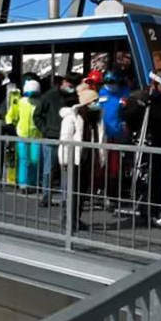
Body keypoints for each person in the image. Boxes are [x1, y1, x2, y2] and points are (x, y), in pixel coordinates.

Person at [58, 88, 104, 232]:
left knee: (82, 191)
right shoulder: (72, 117)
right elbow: (65, 139)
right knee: (73, 190)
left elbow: (100, 140)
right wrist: (65, 161)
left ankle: (76, 218)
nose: (96, 103)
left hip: (88, 159)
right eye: (93, 101)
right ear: (86, 103)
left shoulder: (95, 119)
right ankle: (68, 220)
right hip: (74, 159)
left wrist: (101, 158)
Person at [33, 72, 81, 206]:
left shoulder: (74, 97)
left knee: (67, 169)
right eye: (70, 85)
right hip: (52, 138)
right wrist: (45, 129)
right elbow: (37, 115)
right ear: (64, 82)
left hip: (68, 139)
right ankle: (46, 196)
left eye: (74, 86)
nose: (72, 88)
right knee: (49, 169)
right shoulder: (49, 96)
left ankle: (66, 198)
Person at [123, 70, 161, 227]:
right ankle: (149, 211)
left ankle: (154, 209)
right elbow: (130, 118)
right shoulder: (143, 99)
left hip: (159, 144)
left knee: (157, 179)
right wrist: (143, 103)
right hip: (149, 144)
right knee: (150, 179)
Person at [97, 70, 131, 199]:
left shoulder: (124, 92)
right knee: (103, 163)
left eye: (113, 82)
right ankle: (104, 190)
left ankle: (114, 192)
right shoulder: (101, 92)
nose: (111, 84)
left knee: (116, 165)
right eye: (108, 82)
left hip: (119, 133)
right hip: (104, 133)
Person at [6, 80, 42, 188]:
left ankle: (33, 182)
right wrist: (10, 124)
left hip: (36, 135)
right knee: (24, 159)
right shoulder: (21, 102)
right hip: (22, 134)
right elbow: (12, 113)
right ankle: (23, 183)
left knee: (34, 159)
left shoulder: (40, 103)